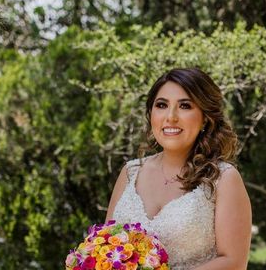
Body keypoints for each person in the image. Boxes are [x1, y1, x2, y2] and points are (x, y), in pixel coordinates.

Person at [105, 67, 252, 270]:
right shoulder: (130, 173)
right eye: (162, 105)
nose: (171, 116)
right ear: (151, 114)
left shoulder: (224, 179)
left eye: (185, 106)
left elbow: (233, 263)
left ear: (205, 118)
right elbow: (105, 244)